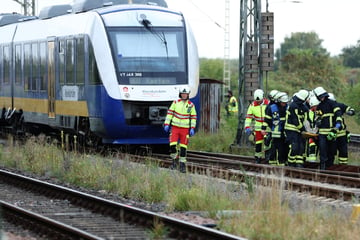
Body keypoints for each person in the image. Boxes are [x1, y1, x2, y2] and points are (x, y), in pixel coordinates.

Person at [163, 87, 197, 173]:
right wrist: (167, 124)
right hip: (175, 128)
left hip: (185, 130)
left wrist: (192, 128)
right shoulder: (175, 103)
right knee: (172, 146)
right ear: (180, 94)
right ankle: (174, 162)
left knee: (183, 148)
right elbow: (169, 114)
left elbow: (193, 117)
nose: (184, 95)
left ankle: (182, 165)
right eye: (182, 93)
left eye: (185, 94)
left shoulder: (191, 105)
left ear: (188, 94)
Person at [313, 87, 342, 170]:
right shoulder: (319, 106)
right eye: (320, 97)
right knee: (322, 150)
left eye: (322, 96)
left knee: (332, 150)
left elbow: (338, 115)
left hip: (332, 131)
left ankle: (330, 166)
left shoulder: (332, 103)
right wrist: (317, 121)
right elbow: (317, 117)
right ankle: (323, 166)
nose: (321, 98)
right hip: (322, 133)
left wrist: (336, 127)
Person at [262, 92, 289, 166]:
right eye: (283, 103)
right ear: (278, 101)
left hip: (285, 133)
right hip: (276, 133)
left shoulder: (287, 107)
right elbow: (267, 119)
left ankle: (282, 162)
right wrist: (263, 129)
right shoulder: (272, 108)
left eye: (285, 102)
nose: (284, 104)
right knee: (276, 148)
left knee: (285, 148)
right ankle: (275, 163)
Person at [284, 89, 309, 168]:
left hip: (299, 130)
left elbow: (306, 118)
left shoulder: (303, 107)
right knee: (294, 147)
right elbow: (296, 120)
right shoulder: (293, 106)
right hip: (291, 130)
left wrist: (308, 128)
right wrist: (303, 129)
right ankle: (291, 163)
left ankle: (299, 163)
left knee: (301, 147)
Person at [328, 93, 355, 165]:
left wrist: (351, 112)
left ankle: (343, 166)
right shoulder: (325, 107)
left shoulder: (339, 105)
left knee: (343, 152)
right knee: (331, 152)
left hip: (341, 134)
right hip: (331, 134)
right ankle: (330, 166)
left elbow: (350, 108)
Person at [244, 89, 269, 163]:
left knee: (267, 143)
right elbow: (248, 118)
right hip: (258, 128)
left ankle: (268, 157)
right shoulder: (252, 105)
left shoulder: (268, 104)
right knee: (258, 143)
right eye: (257, 101)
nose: (258, 102)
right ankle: (258, 157)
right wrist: (247, 127)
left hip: (267, 127)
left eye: (260, 101)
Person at [263, 89, 280, 163]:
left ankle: (270, 158)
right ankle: (268, 157)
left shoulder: (272, 106)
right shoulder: (270, 107)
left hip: (272, 128)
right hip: (269, 129)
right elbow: (268, 119)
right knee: (268, 144)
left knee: (271, 144)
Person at [304, 96, 320, 162]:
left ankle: (312, 162)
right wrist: (313, 134)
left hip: (317, 135)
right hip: (311, 135)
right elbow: (307, 125)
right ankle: (310, 162)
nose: (316, 107)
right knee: (310, 148)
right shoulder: (308, 113)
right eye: (315, 106)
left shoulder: (318, 113)